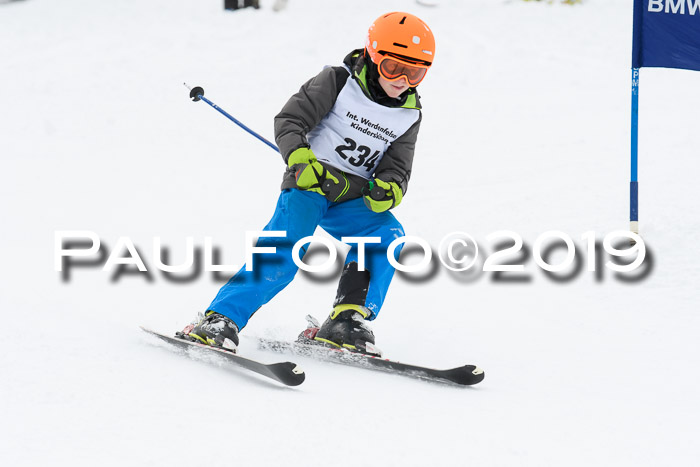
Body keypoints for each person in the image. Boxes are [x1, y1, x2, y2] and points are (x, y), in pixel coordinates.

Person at [186, 12, 436, 355]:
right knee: (286, 247)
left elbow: (398, 168)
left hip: (352, 199)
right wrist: (299, 158)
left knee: (386, 235)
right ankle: (221, 318)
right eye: (394, 68)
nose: (403, 81)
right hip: (311, 185)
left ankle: (345, 320)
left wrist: (389, 188)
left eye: (416, 73)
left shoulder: (409, 114)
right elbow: (290, 120)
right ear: (374, 55)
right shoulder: (337, 81)